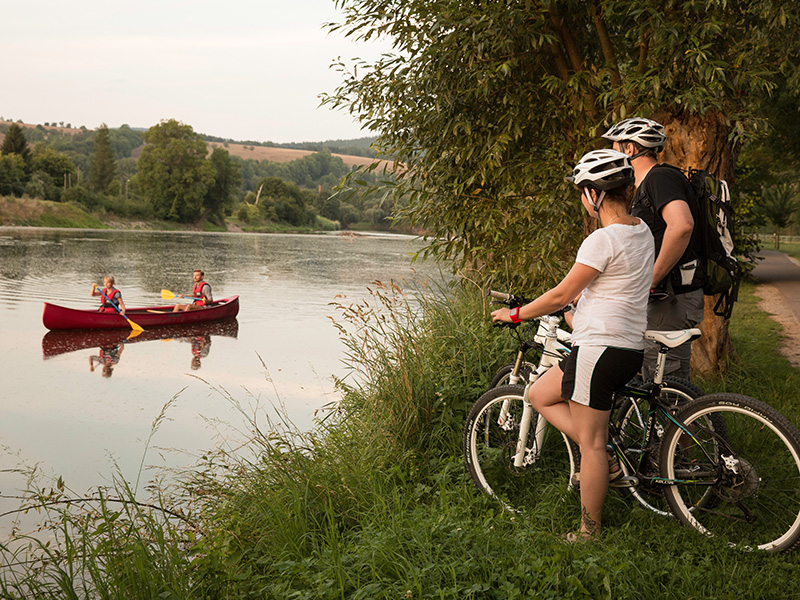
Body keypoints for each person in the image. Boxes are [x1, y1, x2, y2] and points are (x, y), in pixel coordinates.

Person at [492, 149, 654, 540]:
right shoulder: (642, 231)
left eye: (583, 191)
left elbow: (559, 293)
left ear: (592, 194)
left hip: (599, 350)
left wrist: (515, 315)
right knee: (539, 394)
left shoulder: (602, 239)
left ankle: (588, 531)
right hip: (627, 347)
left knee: (594, 445)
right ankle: (605, 464)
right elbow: (615, 286)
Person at [602, 117, 704, 381]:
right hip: (664, 297)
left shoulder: (660, 178)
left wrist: (652, 279)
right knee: (652, 378)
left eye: (614, 146)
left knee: (667, 387)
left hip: (672, 297)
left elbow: (681, 226)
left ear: (629, 149)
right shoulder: (647, 183)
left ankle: (688, 422)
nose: (611, 153)